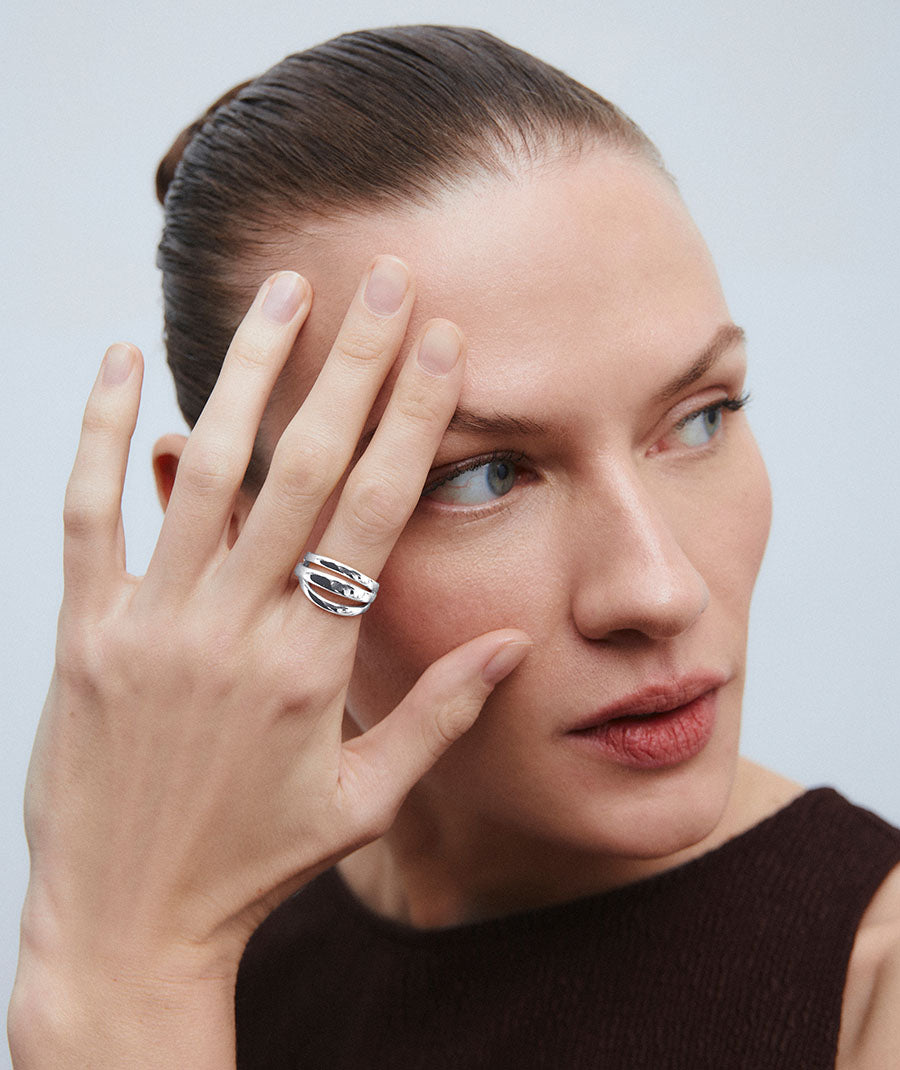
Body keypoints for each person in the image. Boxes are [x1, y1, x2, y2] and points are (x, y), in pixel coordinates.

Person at [8, 25, 900, 1069]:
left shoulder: (871, 988)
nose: (660, 588)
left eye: (701, 417)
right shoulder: (199, 962)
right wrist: (138, 976)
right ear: (234, 532)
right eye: (482, 475)